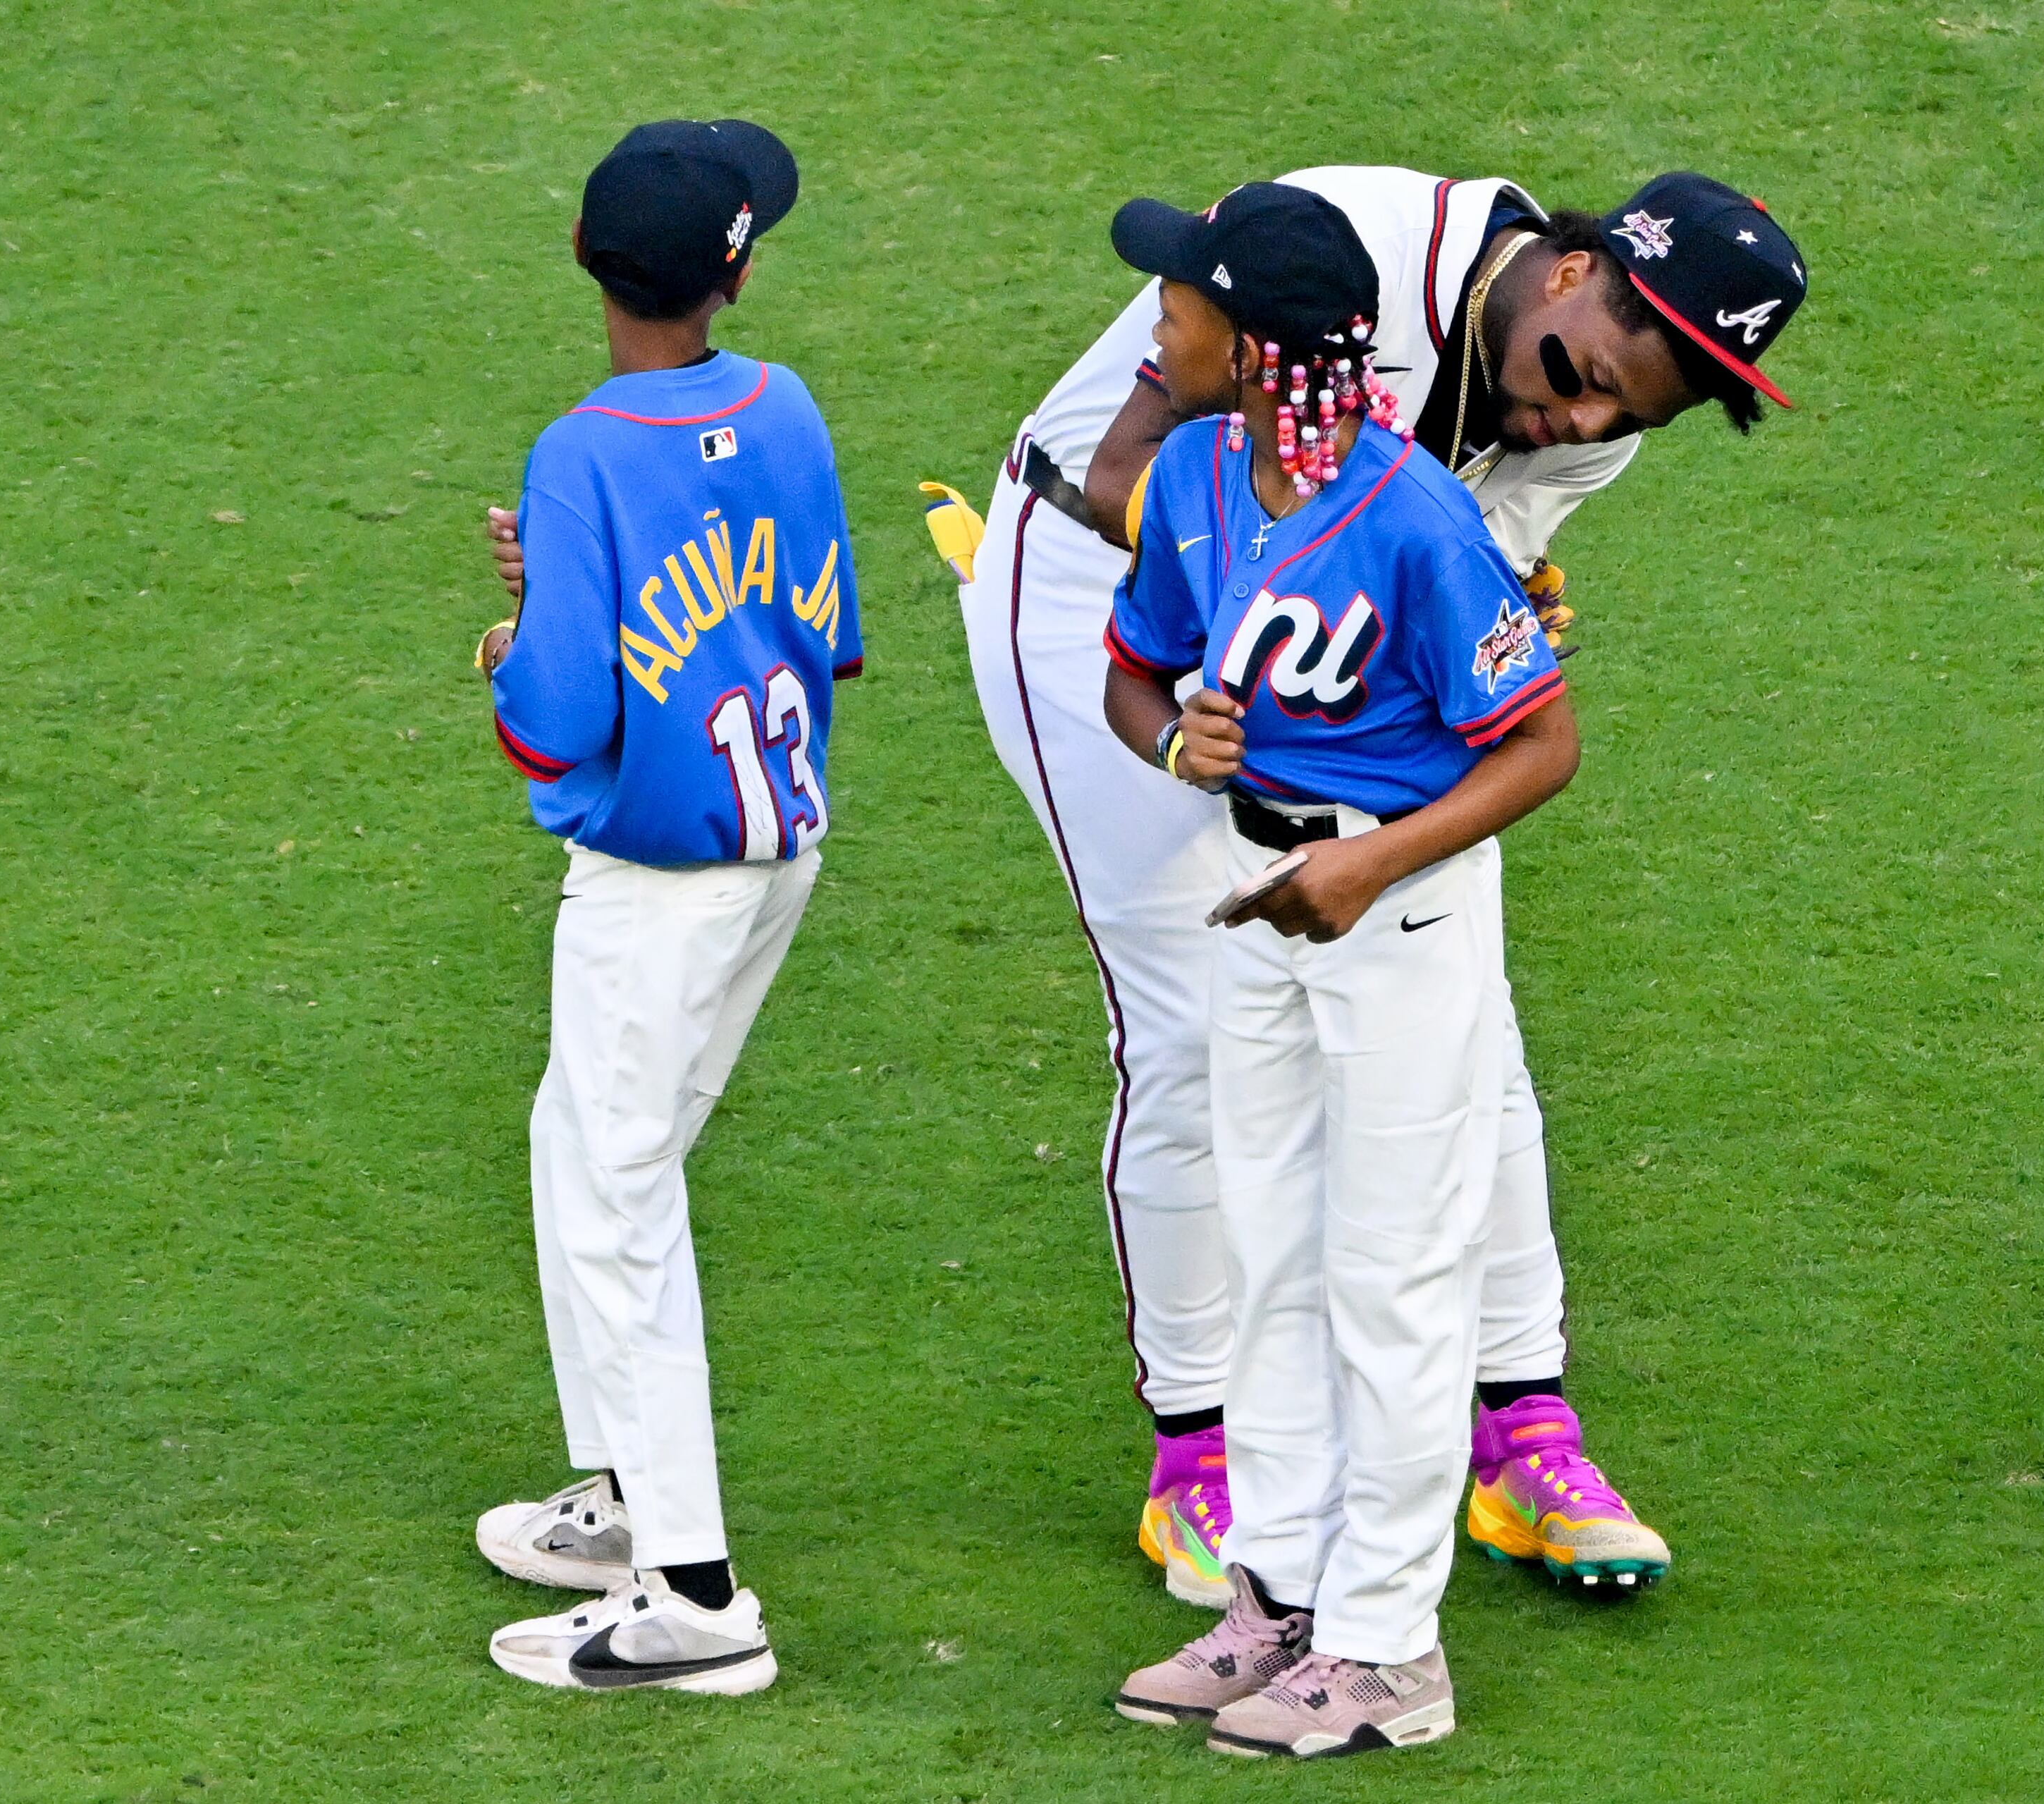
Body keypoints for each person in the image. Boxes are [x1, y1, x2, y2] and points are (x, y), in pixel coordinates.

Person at [490, 166, 1809, 1607]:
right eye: (1584, 377)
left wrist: (1427, 706)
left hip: (1313, 613)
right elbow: (1139, 486)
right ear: (1567, 269)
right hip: (1091, 601)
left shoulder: (1590, 406)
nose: (1584, 422)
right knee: (1192, 1018)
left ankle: (1521, 1427)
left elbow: (1461, 587)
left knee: (1453, 989)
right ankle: (1199, 1457)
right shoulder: (1334, 253)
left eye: (1632, 413)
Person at [1097, 183, 1582, 1759]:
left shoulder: (1416, 516)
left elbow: (1544, 742)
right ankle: (1283, 1598)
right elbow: (1129, 665)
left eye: (1180, 306)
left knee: (1391, 1267)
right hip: (1257, 892)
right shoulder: (1187, 473)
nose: (1155, 325)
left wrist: (1369, 865)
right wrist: (1174, 735)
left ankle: (1389, 1646)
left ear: (1256, 344)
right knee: (1273, 1254)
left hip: (1403, 906)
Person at [467, 118, 861, 1697]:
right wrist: (580, 576)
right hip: (775, 859)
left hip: (652, 884)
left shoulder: (578, 453)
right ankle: (625, 1493)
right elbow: (811, 635)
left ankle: (693, 1595)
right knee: (584, 1144)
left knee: (617, 1196)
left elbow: (553, 724)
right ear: (737, 271)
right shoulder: (790, 407)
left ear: (582, 256)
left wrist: (522, 631)